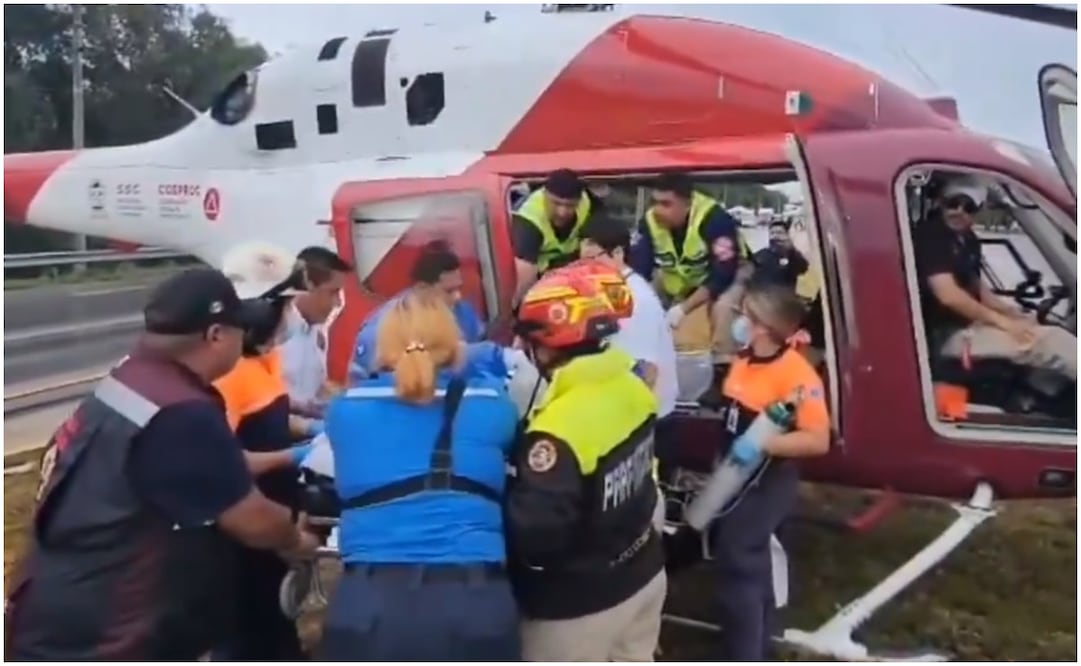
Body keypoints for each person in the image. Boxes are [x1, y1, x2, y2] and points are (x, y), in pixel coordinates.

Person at [5, 268, 319, 661]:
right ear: (217, 335)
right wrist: (296, 540)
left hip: (60, 601)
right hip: (113, 632)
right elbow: (251, 519)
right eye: (240, 330)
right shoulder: (182, 412)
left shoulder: (128, 380)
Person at [317, 289, 521, 660]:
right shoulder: (494, 405)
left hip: (369, 604)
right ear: (456, 342)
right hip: (474, 602)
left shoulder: (344, 412)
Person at [506, 263, 665, 662]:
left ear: (547, 343)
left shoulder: (558, 430)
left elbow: (536, 536)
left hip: (579, 607)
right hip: (643, 574)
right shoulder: (632, 385)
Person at [707, 278, 831, 660]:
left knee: (740, 563)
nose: (737, 319)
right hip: (733, 475)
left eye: (744, 314)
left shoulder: (797, 376)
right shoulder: (746, 359)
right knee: (747, 564)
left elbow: (817, 439)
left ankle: (745, 653)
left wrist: (763, 444)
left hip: (763, 481)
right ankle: (753, 643)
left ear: (764, 325)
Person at [212, 243, 320, 660]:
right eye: (286, 304)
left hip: (273, 521)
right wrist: (294, 456)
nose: (292, 315)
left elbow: (269, 413)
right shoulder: (227, 375)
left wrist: (310, 424)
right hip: (243, 534)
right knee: (250, 634)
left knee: (278, 626)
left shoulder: (263, 359)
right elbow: (223, 465)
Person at [916, 177, 1077, 380]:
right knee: (1053, 341)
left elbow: (978, 289)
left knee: (1039, 330)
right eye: (953, 203)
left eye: (969, 207)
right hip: (943, 335)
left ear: (980, 209)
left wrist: (1013, 314)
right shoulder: (931, 235)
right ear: (940, 202)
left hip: (968, 325)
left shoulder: (968, 239)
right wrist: (1003, 323)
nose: (958, 211)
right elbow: (948, 295)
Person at [629, 172, 753, 362]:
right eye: (654, 202)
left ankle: (725, 363)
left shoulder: (715, 219)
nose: (657, 210)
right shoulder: (648, 222)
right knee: (640, 299)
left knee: (723, 307)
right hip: (681, 274)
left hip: (731, 271)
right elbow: (641, 269)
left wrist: (683, 309)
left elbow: (723, 274)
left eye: (666, 204)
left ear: (687, 203)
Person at [580, 214, 679, 420]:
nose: (585, 268)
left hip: (645, 416)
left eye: (591, 260)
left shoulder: (635, 300)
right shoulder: (612, 290)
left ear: (617, 254)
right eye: (581, 261)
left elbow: (646, 373)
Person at [349, 240, 489, 382]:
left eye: (459, 288)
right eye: (449, 291)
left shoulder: (464, 312)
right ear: (422, 288)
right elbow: (358, 386)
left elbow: (481, 359)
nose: (458, 297)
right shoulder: (381, 329)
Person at [281, 245, 353, 435]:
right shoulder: (276, 337)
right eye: (333, 292)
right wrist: (310, 427)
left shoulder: (316, 332)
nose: (338, 303)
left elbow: (317, 387)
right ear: (308, 286)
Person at [511, 168, 601, 300]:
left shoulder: (587, 202)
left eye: (570, 205)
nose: (562, 212)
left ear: (579, 200)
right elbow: (525, 274)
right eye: (556, 203)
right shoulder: (530, 219)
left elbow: (606, 235)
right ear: (544, 195)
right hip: (541, 282)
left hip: (577, 274)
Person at [753, 219, 810, 291]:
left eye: (779, 233)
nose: (775, 236)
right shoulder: (759, 257)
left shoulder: (794, 257)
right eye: (772, 233)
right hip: (764, 298)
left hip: (787, 299)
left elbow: (804, 271)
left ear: (787, 235)